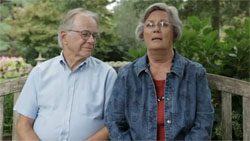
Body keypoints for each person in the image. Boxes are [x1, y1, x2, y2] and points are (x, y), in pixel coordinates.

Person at [105, 2, 214, 141]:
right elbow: (113, 121)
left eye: (163, 24)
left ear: (174, 32)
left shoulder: (194, 73)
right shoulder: (127, 75)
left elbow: (203, 123)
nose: (156, 29)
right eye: (150, 25)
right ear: (142, 33)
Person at [14, 8, 117, 141]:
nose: (92, 40)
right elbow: (23, 125)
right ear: (64, 37)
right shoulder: (40, 72)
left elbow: (112, 124)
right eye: (85, 34)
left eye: (94, 35)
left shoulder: (107, 74)